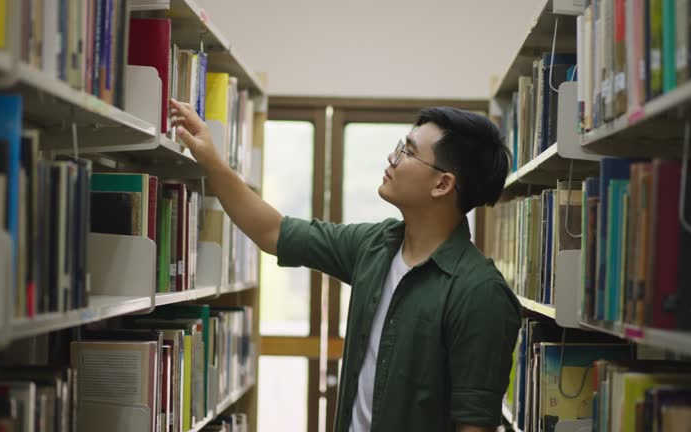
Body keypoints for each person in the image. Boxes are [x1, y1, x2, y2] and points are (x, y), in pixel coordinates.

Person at [169, 99, 521, 432]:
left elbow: (474, 423)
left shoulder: (480, 292)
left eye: (408, 152)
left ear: (443, 184)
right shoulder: (374, 246)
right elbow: (273, 231)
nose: (392, 157)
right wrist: (210, 158)